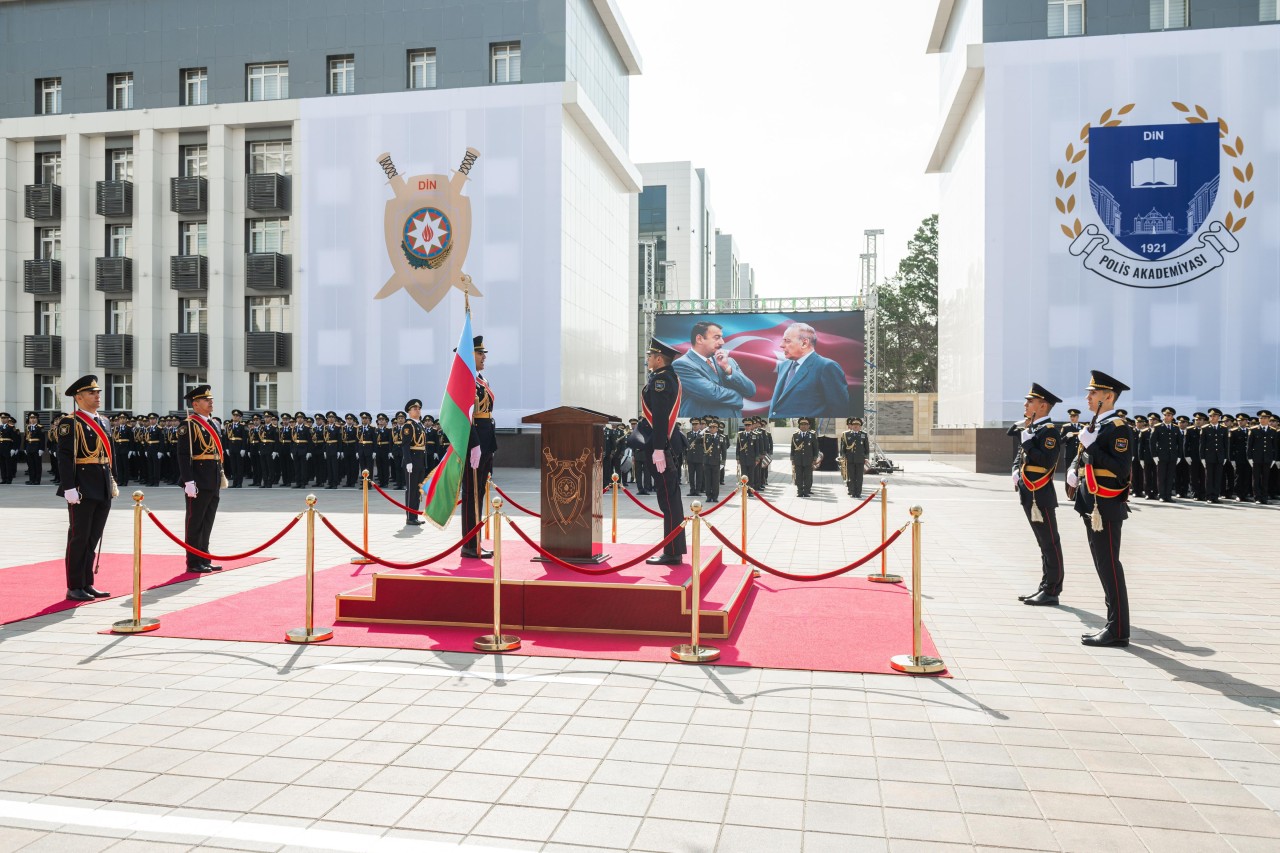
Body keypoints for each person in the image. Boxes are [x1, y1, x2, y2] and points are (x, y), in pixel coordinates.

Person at [1065, 370, 1134, 648]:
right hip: (1091, 502)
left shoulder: (1118, 428)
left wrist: (1093, 449)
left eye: (1093, 393)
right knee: (1102, 563)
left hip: (1104, 505)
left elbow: (1121, 469)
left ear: (1108, 396)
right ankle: (1113, 624)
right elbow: (1082, 457)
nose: (1088, 397)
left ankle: (1117, 629)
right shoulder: (1097, 424)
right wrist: (1072, 469)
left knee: (1109, 565)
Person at [56, 375, 115, 601]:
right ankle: (74, 585)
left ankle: (87, 582)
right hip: (81, 487)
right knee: (79, 537)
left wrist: (113, 481)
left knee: (93, 538)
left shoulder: (104, 421)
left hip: (101, 485)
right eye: (92, 393)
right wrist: (69, 487)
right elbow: (64, 457)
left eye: (98, 392)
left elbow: (110, 456)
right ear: (79, 397)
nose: (97, 395)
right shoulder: (70, 423)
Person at [1011, 384, 1065, 607]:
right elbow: (1021, 455)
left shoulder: (1049, 431)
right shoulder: (1032, 429)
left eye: (1030, 402)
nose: (1025, 404)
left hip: (1040, 493)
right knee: (1042, 542)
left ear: (1042, 406)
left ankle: (1052, 589)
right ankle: (1045, 585)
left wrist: (1028, 442)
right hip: (1028, 490)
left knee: (1050, 542)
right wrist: (1015, 470)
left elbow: (1045, 460)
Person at [639, 338, 687, 565]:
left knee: (668, 500)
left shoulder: (661, 380)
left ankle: (672, 552)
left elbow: (659, 417)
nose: (647, 359)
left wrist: (658, 448)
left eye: (650, 356)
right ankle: (673, 549)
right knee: (670, 499)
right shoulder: (667, 377)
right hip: (666, 445)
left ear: (659, 359)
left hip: (662, 448)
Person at [177, 385, 226, 574]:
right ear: (195, 404)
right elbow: (183, 455)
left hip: (212, 478)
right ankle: (193, 560)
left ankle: (204, 557)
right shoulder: (188, 425)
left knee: (208, 520)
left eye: (211, 399)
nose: (211, 402)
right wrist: (188, 481)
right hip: (197, 479)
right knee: (195, 521)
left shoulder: (213, 423)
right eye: (206, 400)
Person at [672, 321, 757, 418]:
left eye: (721, 337)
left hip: (734, 426)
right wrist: (738, 396)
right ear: (699, 339)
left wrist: (727, 369)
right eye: (717, 337)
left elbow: (751, 390)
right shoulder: (682, 365)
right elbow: (712, 394)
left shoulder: (729, 362)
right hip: (704, 428)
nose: (722, 342)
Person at [462, 336, 497, 559]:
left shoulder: (480, 379)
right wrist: (474, 444)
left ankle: (475, 540)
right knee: (471, 495)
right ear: (469, 355)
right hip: (475, 444)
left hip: (486, 442)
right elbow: (465, 416)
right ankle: (469, 544)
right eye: (479, 353)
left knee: (479, 494)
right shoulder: (466, 380)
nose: (484, 356)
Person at [767, 323, 851, 418]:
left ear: (804, 343)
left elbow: (839, 410)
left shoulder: (826, 367)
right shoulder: (783, 366)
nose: (781, 345)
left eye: (787, 341)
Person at [402, 399, 427, 526]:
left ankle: (414, 515)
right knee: (411, 490)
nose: (417, 410)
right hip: (412, 460)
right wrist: (408, 462)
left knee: (417, 490)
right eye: (414, 409)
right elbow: (405, 445)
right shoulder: (408, 425)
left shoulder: (419, 424)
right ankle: (410, 517)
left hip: (420, 461)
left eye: (418, 408)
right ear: (409, 412)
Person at [1199, 408, 1229, 504]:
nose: (1212, 418)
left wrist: (1225, 457)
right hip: (1209, 457)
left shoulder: (1223, 429)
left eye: (1214, 416)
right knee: (1209, 478)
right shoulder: (1205, 428)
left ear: (1219, 417)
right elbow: (1202, 445)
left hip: (1219, 457)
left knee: (1217, 477)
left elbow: (1226, 444)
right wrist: (1202, 457)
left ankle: (1215, 496)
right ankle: (1209, 496)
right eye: (1211, 416)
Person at [1247, 409, 1276, 505]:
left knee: (1265, 479)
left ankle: (1264, 497)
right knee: (1256, 479)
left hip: (1267, 458)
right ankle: (1257, 497)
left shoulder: (1273, 431)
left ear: (1268, 419)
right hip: (1256, 458)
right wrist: (1250, 458)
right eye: (1261, 418)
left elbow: (1274, 447)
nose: (1262, 420)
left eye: (1265, 418)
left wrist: (1274, 459)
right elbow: (1249, 446)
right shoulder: (1254, 430)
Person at [1151, 407, 1179, 502]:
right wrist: (1154, 455)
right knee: (1161, 477)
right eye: (1165, 415)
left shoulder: (1176, 428)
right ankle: (1162, 495)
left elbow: (1180, 442)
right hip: (1161, 457)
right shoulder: (1158, 427)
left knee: (1170, 477)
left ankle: (1168, 495)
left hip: (1172, 456)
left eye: (1169, 415)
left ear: (1172, 417)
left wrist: (1179, 456)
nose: (1166, 417)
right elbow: (1152, 442)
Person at [790, 418, 820, 497]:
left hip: (808, 460)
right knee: (798, 476)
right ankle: (799, 491)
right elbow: (792, 448)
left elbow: (815, 448)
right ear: (799, 426)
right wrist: (792, 458)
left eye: (805, 425)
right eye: (802, 425)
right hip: (798, 459)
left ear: (808, 426)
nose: (803, 426)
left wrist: (815, 458)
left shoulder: (812, 435)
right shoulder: (795, 435)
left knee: (808, 476)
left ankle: (806, 491)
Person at [841, 417, 870, 498]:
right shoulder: (846, 434)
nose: (855, 426)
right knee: (852, 477)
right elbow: (843, 448)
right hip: (850, 459)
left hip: (860, 459)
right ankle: (853, 492)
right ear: (851, 425)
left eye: (857, 425)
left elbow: (866, 448)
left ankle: (858, 493)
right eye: (854, 424)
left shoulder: (863, 434)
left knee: (859, 477)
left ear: (860, 426)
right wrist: (843, 457)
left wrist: (866, 457)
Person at [702, 420, 725, 503]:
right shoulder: (705, 436)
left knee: (715, 480)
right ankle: (708, 496)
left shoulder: (721, 437)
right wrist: (703, 431)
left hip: (716, 462)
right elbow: (697, 441)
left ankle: (715, 496)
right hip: (707, 462)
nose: (712, 429)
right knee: (708, 480)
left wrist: (723, 463)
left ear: (717, 429)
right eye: (710, 427)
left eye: (713, 427)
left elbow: (724, 451)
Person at [24, 412, 46, 486]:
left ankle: (37, 480)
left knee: (37, 465)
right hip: (29, 448)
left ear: (37, 419)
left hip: (37, 448)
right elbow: (25, 439)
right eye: (31, 418)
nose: (32, 420)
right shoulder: (28, 427)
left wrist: (41, 449)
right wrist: (25, 448)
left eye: (34, 418)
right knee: (30, 465)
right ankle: (31, 479)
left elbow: (42, 439)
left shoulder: (40, 427)